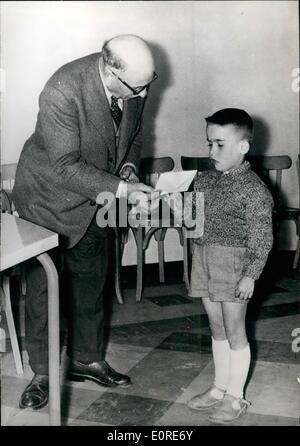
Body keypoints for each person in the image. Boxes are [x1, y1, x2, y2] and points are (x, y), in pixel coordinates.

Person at [12, 34, 159, 410]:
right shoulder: (63, 88)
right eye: (137, 88)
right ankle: (42, 373)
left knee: (92, 281)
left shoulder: (134, 84)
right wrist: (124, 192)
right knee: (43, 292)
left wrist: (127, 169)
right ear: (110, 70)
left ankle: (86, 358)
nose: (142, 96)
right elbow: (63, 167)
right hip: (49, 200)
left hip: (97, 200)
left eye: (148, 85)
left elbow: (135, 135)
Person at [174, 108, 274, 423]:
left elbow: (262, 238)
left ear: (243, 147)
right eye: (209, 144)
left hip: (233, 263)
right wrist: (176, 206)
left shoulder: (254, 189)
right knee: (216, 329)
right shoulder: (203, 180)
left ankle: (236, 396)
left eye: (220, 144)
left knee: (234, 330)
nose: (211, 151)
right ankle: (219, 388)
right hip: (203, 258)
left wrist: (251, 275)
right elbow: (193, 222)